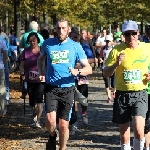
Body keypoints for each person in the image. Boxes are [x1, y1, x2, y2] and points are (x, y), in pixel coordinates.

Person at [37, 18, 92, 150]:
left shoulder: (75, 46)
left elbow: (88, 68)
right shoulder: (48, 44)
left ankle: (62, 148)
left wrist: (77, 71)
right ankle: (51, 136)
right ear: (55, 29)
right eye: (58, 28)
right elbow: (40, 59)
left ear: (68, 30)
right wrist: (41, 72)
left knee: (63, 125)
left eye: (63, 28)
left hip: (68, 89)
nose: (60, 31)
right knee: (50, 120)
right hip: (51, 88)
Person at [103, 20, 150, 150]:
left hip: (140, 93)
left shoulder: (147, 48)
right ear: (123, 35)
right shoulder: (116, 50)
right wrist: (115, 64)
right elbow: (106, 73)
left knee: (139, 131)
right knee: (124, 136)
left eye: (133, 33)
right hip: (122, 95)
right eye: (127, 34)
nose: (131, 37)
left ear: (138, 33)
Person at [20, 32, 45, 128]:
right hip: (30, 79)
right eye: (30, 41)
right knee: (31, 100)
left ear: (37, 40)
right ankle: (34, 111)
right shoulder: (25, 52)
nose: (32, 42)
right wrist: (22, 73)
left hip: (41, 79)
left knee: (39, 97)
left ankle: (38, 120)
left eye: (34, 40)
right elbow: (22, 65)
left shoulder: (42, 50)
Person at [100, 35, 116, 103]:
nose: (107, 43)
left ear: (111, 41)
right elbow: (100, 56)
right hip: (105, 68)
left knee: (113, 84)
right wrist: (101, 60)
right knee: (107, 84)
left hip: (113, 68)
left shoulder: (114, 48)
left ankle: (114, 93)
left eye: (109, 41)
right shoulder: (103, 49)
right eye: (106, 41)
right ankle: (109, 97)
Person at [0, 38, 8, 116]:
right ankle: (2, 110)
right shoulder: (2, 41)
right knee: (1, 89)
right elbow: (6, 57)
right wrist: (4, 65)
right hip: (0, 68)